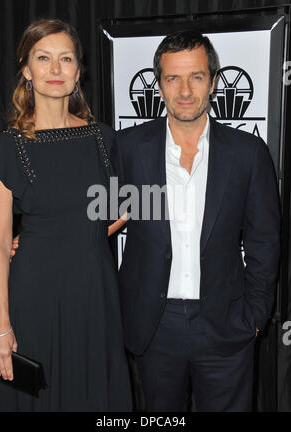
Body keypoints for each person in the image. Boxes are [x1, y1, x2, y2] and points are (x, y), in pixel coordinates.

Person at [109, 30, 281, 411]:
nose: (185, 90)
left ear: (214, 82)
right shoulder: (128, 148)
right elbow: (99, 219)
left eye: (196, 77)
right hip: (153, 326)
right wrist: (34, 239)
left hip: (225, 323)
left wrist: (254, 315)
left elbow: (264, 241)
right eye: (173, 78)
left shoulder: (248, 153)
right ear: (159, 86)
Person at [0, 18, 132, 412]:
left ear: (77, 71)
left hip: (94, 296)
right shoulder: (5, 148)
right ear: (25, 69)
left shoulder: (103, 138)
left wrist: (79, 232)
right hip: (34, 298)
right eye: (43, 58)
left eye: (65, 59)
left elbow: (122, 209)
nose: (55, 70)